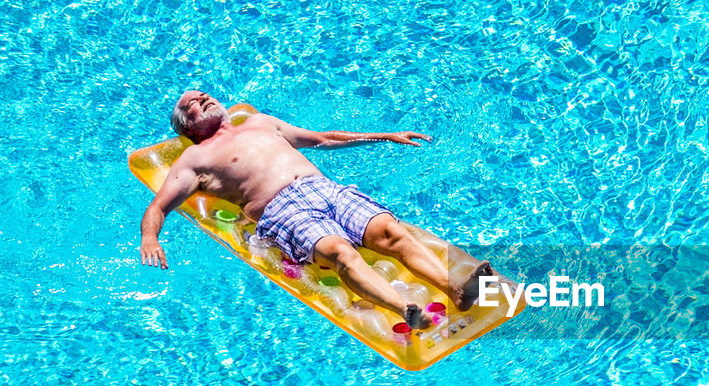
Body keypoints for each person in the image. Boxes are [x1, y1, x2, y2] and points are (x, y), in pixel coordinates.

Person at [139, 90, 491, 329]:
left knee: (392, 233)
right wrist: (149, 237)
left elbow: (323, 138)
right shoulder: (195, 159)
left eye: (203, 94)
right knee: (339, 252)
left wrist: (385, 135)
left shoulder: (261, 123)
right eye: (192, 104)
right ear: (188, 126)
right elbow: (158, 206)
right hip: (281, 210)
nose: (202, 98)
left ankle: (456, 290)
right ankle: (405, 311)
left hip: (325, 190)